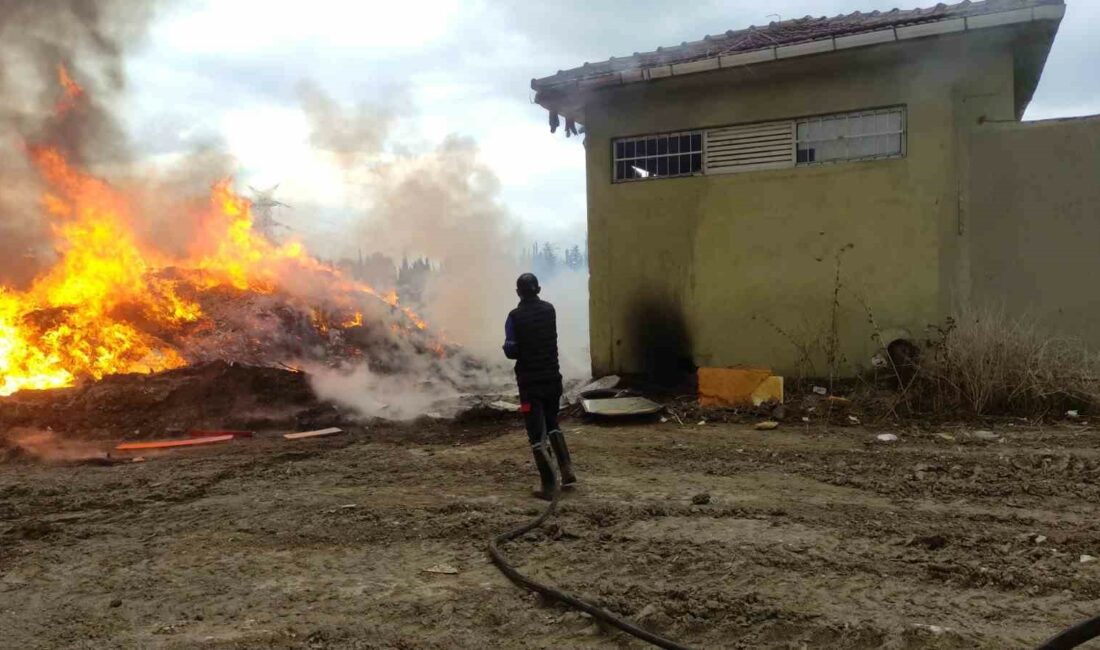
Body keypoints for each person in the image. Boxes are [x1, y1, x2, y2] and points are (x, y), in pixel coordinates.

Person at [503, 273, 577, 499]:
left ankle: (549, 485)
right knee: (552, 422)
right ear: (539, 289)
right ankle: (567, 471)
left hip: (529, 384)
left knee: (536, 434)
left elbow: (512, 350)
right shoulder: (549, 310)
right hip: (553, 379)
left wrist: (508, 348)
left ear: (518, 292)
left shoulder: (514, 317)